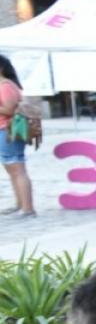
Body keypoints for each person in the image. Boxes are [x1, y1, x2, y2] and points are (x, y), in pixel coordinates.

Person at [0, 55, 35, 217]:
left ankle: (28, 208)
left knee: (17, 169)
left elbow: (9, 109)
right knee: (12, 170)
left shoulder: (6, 86)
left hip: (8, 131)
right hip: (5, 131)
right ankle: (20, 204)